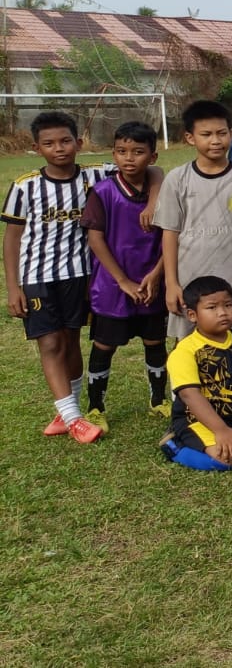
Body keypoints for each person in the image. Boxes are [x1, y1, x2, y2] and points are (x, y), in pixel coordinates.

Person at [5, 112, 137, 443]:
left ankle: (67, 411)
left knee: (70, 339)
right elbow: (12, 239)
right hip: (37, 276)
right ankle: (74, 418)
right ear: (37, 147)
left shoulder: (97, 176)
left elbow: (150, 168)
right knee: (49, 342)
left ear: (78, 143)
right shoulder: (25, 187)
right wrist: (13, 287)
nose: (59, 149)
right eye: (49, 143)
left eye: (65, 141)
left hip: (80, 274)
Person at [81, 120, 168, 427]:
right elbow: (96, 239)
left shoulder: (163, 190)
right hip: (112, 286)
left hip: (151, 282)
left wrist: (157, 275)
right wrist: (122, 281)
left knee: (155, 342)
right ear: (113, 154)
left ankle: (159, 400)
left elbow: (172, 237)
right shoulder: (103, 191)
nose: (129, 158)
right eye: (121, 151)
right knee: (104, 344)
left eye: (138, 152)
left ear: (153, 157)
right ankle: (95, 406)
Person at [157, 101, 232, 343]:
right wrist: (171, 283)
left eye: (222, 133)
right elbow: (170, 233)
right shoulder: (176, 179)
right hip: (190, 283)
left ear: (231, 135)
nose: (215, 140)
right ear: (190, 138)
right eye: (206, 134)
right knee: (190, 351)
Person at [158, 276, 232, 470]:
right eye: (212, 308)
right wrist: (221, 430)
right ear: (192, 315)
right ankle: (173, 446)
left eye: (228, 305)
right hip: (197, 419)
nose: (222, 313)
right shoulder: (184, 351)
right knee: (229, 459)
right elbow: (190, 396)